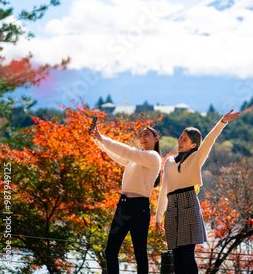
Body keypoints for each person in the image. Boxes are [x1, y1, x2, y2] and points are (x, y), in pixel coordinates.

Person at [155, 109, 241, 274]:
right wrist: (159, 217)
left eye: (185, 139)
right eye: (181, 137)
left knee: (187, 254)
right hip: (172, 208)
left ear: (193, 145)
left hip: (188, 203)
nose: (180, 141)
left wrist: (223, 121)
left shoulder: (196, 158)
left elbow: (209, 140)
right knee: (176, 255)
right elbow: (164, 190)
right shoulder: (169, 162)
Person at [90, 124, 162, 274]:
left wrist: (102, 138)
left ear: (156, 139)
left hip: (139, 209)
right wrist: (97, 139)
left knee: (140, 254)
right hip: (123, 207)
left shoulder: (153, 157)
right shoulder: (134, 159)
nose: (142, 137)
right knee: (110, 251)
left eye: (146, 134)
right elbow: (114, 154)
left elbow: (126, 151)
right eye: (141, 135)